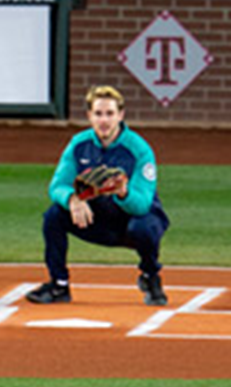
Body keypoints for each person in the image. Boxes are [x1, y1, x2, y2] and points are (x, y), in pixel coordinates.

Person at [26, 85, 170, 307]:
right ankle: (59, 285)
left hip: (134, 220)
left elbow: (142, 204)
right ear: (89, 116)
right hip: (98, 218)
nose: (104, 120)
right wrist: (72, 199)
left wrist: (123, 192)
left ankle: (151, 277)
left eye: (110, 114)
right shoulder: (79, 144)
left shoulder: (139, 150)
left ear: (121, 115)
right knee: (54, 216)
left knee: (144, 228)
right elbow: (57, 186)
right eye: (98, 114)